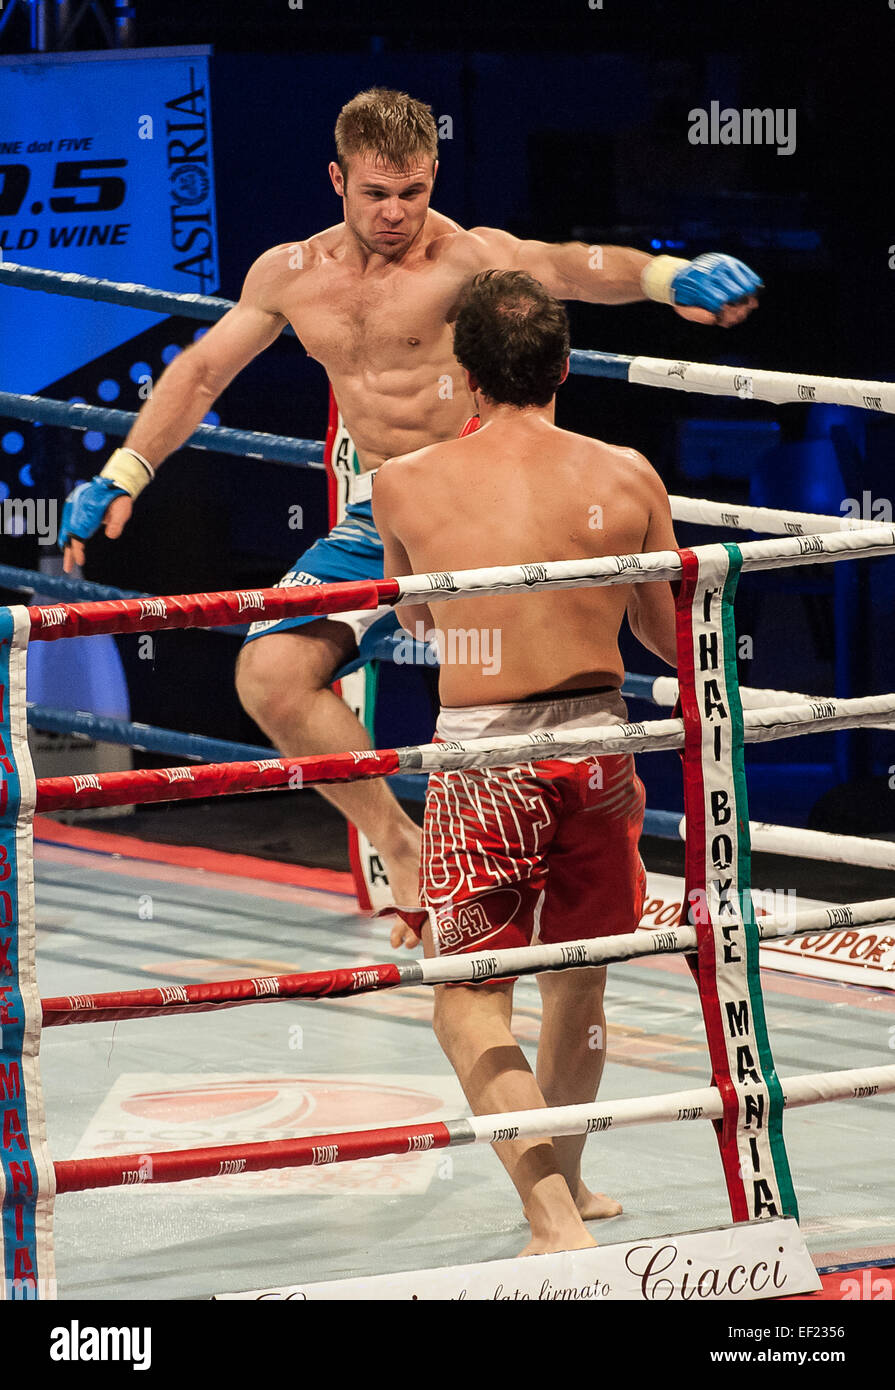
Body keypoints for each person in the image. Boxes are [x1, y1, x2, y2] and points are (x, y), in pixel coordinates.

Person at [59, 87, 755, 927]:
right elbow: (204, 371)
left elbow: (568, 266)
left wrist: (664, 275)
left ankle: (589, 864)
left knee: (523, 686)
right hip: (384, 518)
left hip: (485, 508)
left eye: (414, 192)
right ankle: (403, 843)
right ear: (336, 179)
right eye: (375, 193)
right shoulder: (287, 275)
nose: (396, 213)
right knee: (271, 675)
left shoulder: (467, 260)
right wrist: (125, 469)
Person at [371, 268, 679, 1255]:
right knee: (579, 983)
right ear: (565, 365)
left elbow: (417, 617)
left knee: (467, 999)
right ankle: (572, 1185)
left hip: (487, 760)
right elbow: (672, 638)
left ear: (463, 370)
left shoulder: (403, 482)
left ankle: (553, 1217)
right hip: (599, 747)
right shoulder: (628, 473)